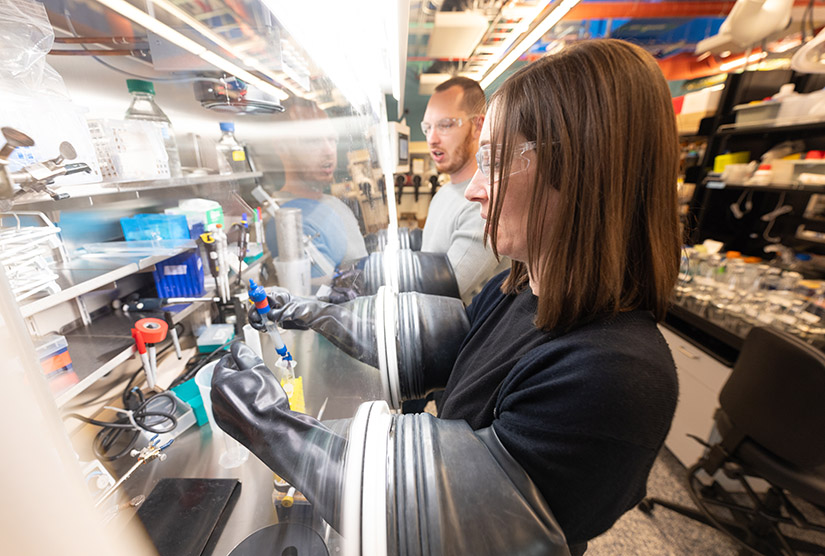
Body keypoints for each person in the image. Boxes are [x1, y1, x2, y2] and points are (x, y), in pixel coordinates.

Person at [211, 39, 681, 554]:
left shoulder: (616, 374)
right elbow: (443, 341)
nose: (476, 189)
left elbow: (458, 519)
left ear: (579, 169)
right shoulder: (525, 289)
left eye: (496, 161)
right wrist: (319, 314)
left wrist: (271, 427)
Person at [420, 76, 508, 304]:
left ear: (478, 125)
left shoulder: (485, 202)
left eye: (446, 125)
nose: (432, 139)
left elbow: (440, 295)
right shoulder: (443, 194)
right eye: (427, 128)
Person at [263, 98, 367, 279]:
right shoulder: (280, 220)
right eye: (312, 140)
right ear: (282, 147)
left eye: (332, 139)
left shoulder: (335, 205)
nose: (328, 150)